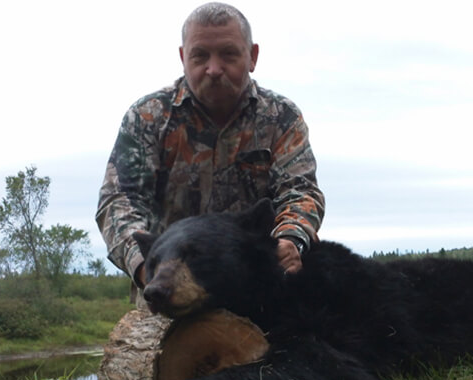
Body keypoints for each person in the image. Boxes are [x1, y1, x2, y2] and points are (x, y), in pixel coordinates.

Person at [96, 2, 325, 303]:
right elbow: (118, 203)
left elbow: (300, 193)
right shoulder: (148, 117)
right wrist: (146, 267)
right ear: (183, 57)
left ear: (252, 56)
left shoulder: (281, 117)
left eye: (228, 54)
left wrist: (290, 240)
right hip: (167, 291)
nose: (214, 69)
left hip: (256, 290)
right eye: (200, 55)